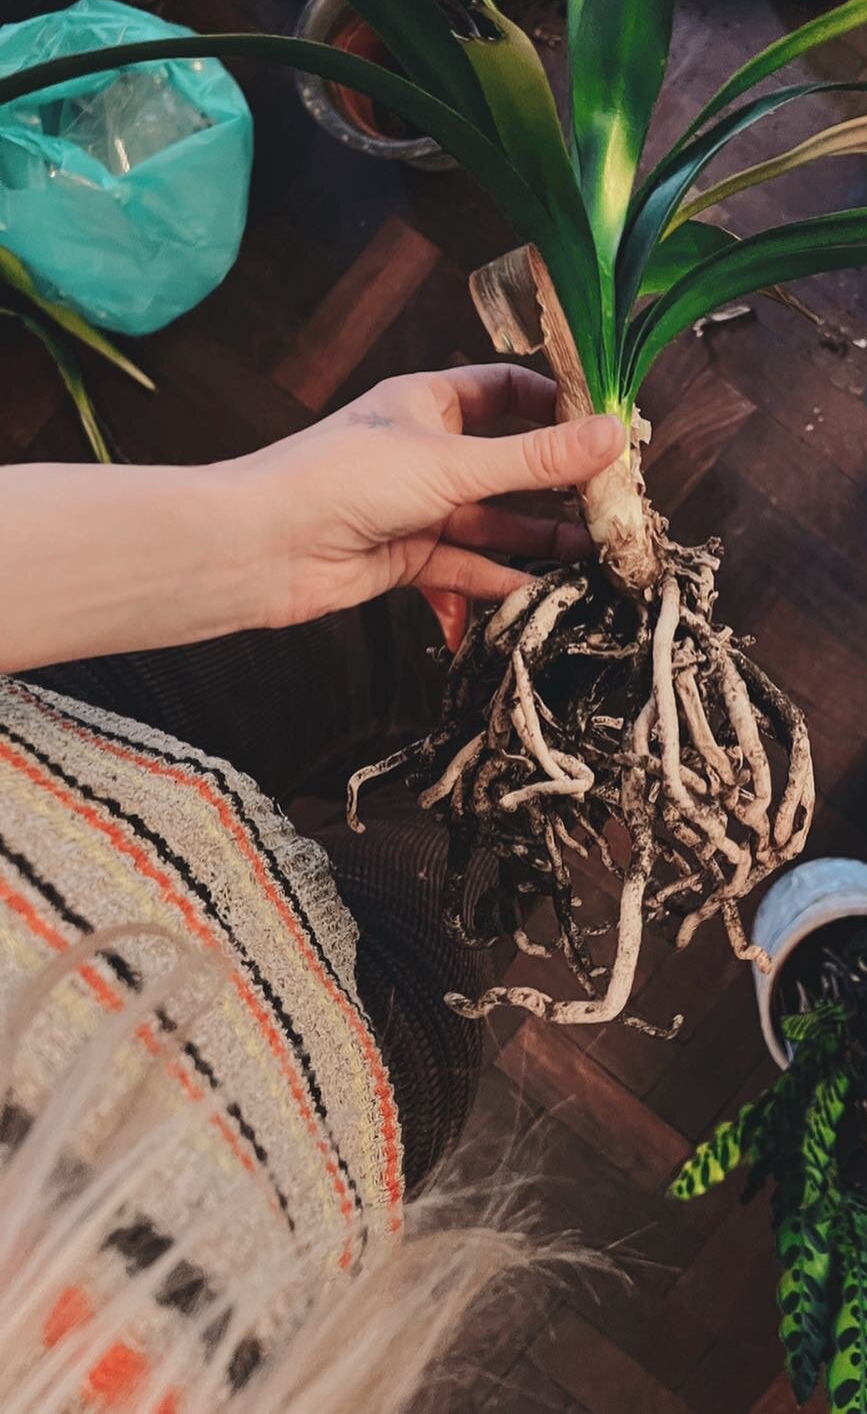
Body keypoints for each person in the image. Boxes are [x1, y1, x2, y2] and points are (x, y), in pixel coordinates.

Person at [0, 366, 624, 1412]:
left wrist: (260, 527)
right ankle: (587, 700)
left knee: (403, 615)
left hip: (57, 738)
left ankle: (562, 645)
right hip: (340, 1074)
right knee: (504, 815)